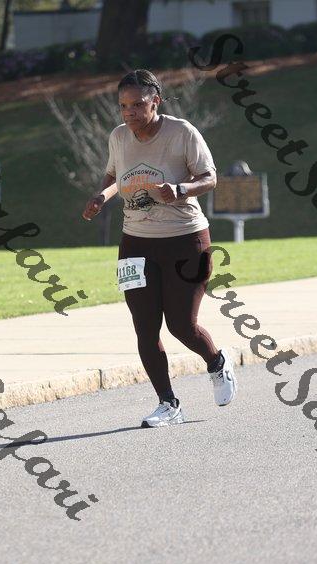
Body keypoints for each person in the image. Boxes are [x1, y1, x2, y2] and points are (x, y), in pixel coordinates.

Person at [82, 69, 237, 428]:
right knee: (145, 328)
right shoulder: (119, 136)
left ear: (156, 101)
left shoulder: (182, 133)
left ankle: (217, 363)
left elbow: (210, 177)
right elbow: (114, 175)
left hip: (185, 240)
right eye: (123, 106)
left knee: (182, 325)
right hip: (135, 244)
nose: (130, 113)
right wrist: (101, 196)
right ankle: (168, 404)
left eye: (137, 104)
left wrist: (180, 190)